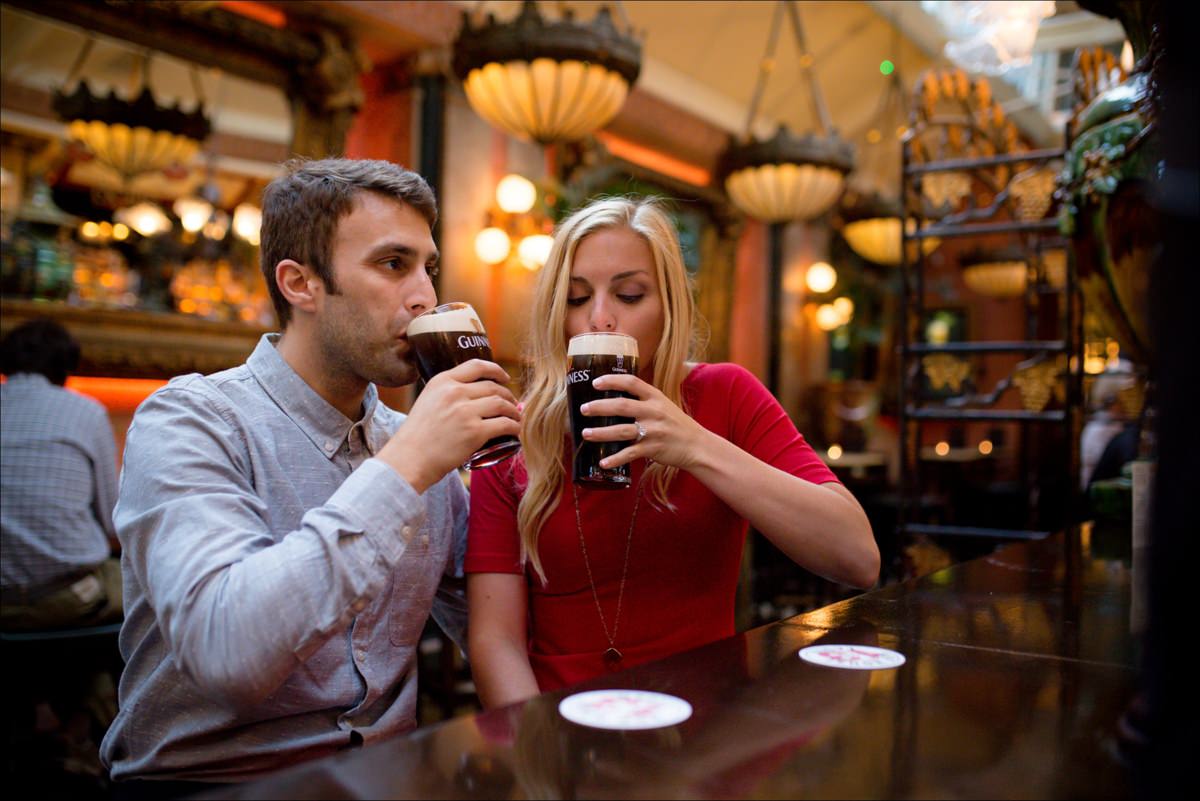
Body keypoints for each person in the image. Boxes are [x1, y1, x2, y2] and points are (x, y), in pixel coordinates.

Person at [98, 158, 521, 793]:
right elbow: (225, 651)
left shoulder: (415, 442)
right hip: (209, 786)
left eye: (427, 268)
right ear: (300, 284)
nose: (426, 298)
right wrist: (407, 466)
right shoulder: (190, 421)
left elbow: (499, 623)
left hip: (384, 778)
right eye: (392, 264)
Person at [465, 197, 879, 706]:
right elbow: (495, 641)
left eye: (630, 294)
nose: (599, 318)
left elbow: (859, 560)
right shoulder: (513, 437)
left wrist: (695, 445)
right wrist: (539, 758)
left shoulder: (726, 395)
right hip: (563, 729)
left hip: (703, 735)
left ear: (669, 307)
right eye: (575, 299)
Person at [1, 319, 122, 631]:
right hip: (66, 598)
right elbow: (114, 521)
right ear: (65, 365)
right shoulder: (86, 412)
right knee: (151, 585)